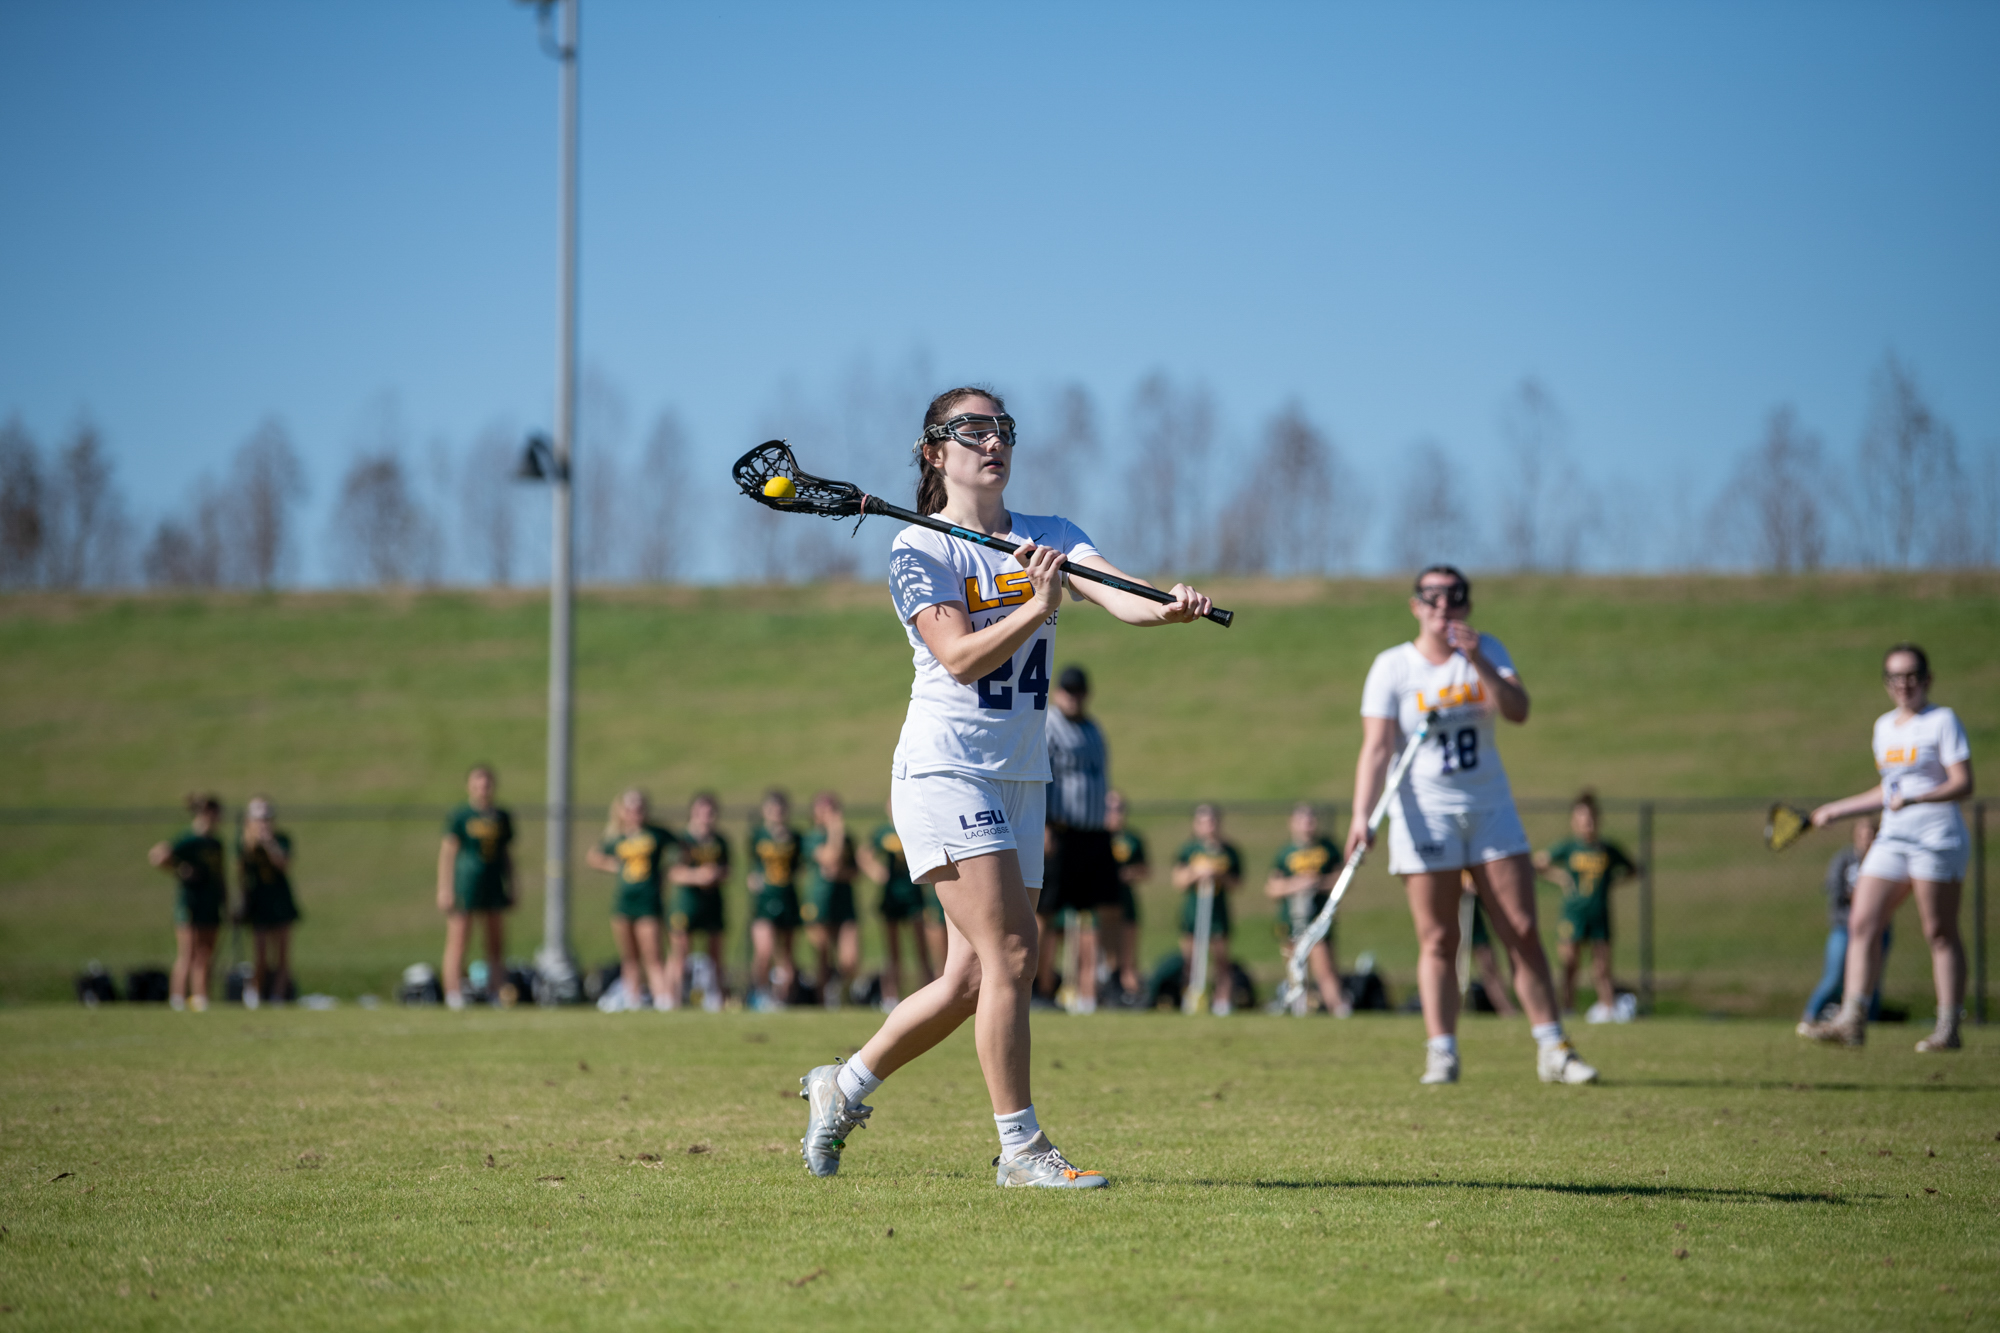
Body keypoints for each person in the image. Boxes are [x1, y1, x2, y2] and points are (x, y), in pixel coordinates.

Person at [796, 385, 1212, 1189]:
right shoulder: (918, 548)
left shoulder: (1050, 535)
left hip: (1022, 777)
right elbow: (958, 656)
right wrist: (1039, 602)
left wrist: (1169, 609)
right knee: (1017, 949)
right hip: (945, 766)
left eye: (1002, 430)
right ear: (935, 451)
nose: (993, 442)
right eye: (972, 430)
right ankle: (1020, 1148)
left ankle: (839, 1087)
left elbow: (1118, 591)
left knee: (970, 978)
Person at [1349, 565, 1596, 1085]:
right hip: (1425, 816)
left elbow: (1518, 710)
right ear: (1415, 605)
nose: (1444, 608)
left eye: (1454, 598)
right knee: (1439, 938)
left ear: (1467, 605)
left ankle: (1554, 1048)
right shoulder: (1393, 667)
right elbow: (1375, 750)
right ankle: (1442, 1051)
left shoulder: (1488, 652)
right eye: (1432, 598)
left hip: (1489, 811)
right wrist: (1361, 816)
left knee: (1522, 931)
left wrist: (1477, 656)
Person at [1801, 644, 1975, 1052]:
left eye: (1912, 675)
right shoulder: (1884, 727)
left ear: (1927, 679)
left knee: (1938, 931)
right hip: (1893, 837)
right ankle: (1852, 1019)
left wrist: (1917, 799)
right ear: (1887, 683)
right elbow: (1887, 789)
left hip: (1936, 837)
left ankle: (1948, 1026)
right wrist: (1837, 809)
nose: (1904, 684)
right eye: (1895, 677)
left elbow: (1962, 783)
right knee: (1862, 922)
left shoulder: (1942, 721)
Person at [1035, 664, 1123, 1014]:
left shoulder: (1093, 729)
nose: (1073, 697)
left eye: (1078, 691)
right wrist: (1042, 826)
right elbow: (1040, 775)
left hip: (1095, 833)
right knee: (1048, 912)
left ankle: (1115, 980)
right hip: (1062, 832)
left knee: (1111, 906)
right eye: (1068, 691)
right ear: (1059, 693)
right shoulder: (1050, 727)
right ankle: (1040, 986)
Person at [1534, 790, 1636, 1019]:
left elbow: (1634, 869)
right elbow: (1538, 863)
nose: (1586, 823)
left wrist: (1613, 881)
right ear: (1574, 821)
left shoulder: (1608, 850)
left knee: (1602, 968)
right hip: (1573, 913)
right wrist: (1559, 877)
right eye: (1581, 818)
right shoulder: (1568, 848)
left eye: (1590, 818)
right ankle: (1568, 1009)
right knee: (1570, 963)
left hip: (1599, 913)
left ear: (1598, 820)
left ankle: (1608, 1010)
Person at [585, 788, 674, 1011]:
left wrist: (668, 872)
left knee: (652, 954)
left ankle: (663, 998)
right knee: (629, 957)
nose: (636, 813)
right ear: (623, 812)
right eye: (631, 809)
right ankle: (632, 999)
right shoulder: (617, 836)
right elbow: (593, 856)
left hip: (648, 901)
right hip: (624, 902)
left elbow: (682, 850)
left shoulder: (656, 834)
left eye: (640, 808)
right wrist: (614, 866)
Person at [1800, 816, 1890, 1028]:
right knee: (1834, 978)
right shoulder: (1844, 859)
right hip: (1844, 928)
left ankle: (1868, 1023)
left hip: (1878, 928)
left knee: (1872, 981)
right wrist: (1865, 897)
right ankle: (1810, 1016)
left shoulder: (1884, 860)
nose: (1866, 839)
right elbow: (1836, 892)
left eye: (1870, 834)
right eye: (1862, 834)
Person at [437, 764, 513, 1011]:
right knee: (459, 940)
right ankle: (454, 993)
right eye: (478, 783)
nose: (483, 788)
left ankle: (494, 991)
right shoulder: (461, 816)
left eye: (487, 783)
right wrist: (445, 888)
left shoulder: (501, 817)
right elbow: (448, 852)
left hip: (493, 883)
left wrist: (512, 884)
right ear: (470, 786)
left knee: (495, 942)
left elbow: (507, 855)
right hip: (466, 884)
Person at [1266, 803, 1351, 1017]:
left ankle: (1338, 1008)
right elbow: (1272, 888)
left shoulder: (1327, 849)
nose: (1307, 824)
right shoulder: (1285, 852)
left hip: (1318, 918)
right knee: (1295, 968)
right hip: (1292, 918)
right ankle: (1299, 1009)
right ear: (1292, 823)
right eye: (1302, 819)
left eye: (1311, 819)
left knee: (1324, 967)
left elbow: (1343, 879)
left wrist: (1317, 882)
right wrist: (1296, 884)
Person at [148, 793, 227, 1011]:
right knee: (188, 954)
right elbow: (157, 855)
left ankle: (201, 999)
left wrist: (225, 901)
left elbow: (220, 875)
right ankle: (178, 999)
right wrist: (180, 869)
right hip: (190, 904)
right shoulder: (190, 840)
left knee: (206, 955)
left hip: (210, 905)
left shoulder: (216, 843)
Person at [858, 797, 934, 1009]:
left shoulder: (914, 828)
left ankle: (927, 996)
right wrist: (876, 872)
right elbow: (864, 854)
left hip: (914, 896)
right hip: (891, 898)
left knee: (921, 949)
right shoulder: (883, 832)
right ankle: (890, 997)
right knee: (893, 952)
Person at [1173, 803, 1243, 1016]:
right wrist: (1197, 873)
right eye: (1203, 821)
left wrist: (1217, 874)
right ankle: (1192, 997)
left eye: (1212, 820)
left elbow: (1237, 883)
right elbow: (1178, 880)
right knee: (1190, 960)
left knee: (1221, 960)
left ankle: (1222, 1002)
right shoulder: (1189, 850)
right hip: (1193, 911)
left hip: (1218, 912)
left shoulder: (1229, 850)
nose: (1208, 825)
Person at [667, 792, 731, 1011]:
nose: (706, 817)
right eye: (701, 812)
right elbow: (673, 872)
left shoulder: (720, 841)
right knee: (680, 953)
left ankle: (718, 999)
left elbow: (728, 870)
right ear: (692, 813)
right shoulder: (683, 840)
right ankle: (672, 1000)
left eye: (710, 812)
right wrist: (698, 876)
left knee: (716, 955)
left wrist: (716, 875)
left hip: (712, 903)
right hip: (687, 903)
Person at [236, 795, 300, 1009]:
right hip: (259, 904)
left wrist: (269, 842)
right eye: (259, 818)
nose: (263, 822)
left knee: (282, 956)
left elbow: (283, 864)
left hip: (280, 901)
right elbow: (241, 874)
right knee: (260, 956)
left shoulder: (280, 839)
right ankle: (254, 994)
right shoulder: (244, 844)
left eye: (267, 817)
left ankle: (278, 998)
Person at [801, 791, 862, 1009]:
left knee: (850, 959)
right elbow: (830, 857)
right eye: (824, 810)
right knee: (822, 956)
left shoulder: (848, 838)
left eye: (833, 809)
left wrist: (841, 873)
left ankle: (840, 993)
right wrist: (835, 831)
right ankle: (821, 1002)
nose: (830, 815)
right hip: (819, 902)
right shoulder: (812, 837)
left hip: (844, 902)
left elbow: (853, 871)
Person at [746, 789, 803, 1011]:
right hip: (764, 901)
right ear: (765, 812)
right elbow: (752, 865)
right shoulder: (758, 835)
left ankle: (783, 998)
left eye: (780, 809)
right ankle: (759, 992)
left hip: (787, 898)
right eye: (772, 809)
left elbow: (800, 866)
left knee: (787, 953)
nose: (776, 814)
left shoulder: (795, 837)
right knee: (764, 950)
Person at [1102, 789, 1148, 1003]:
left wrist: (1127, 874)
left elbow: (1144, 869)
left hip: (1124, 899)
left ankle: (1127, 993)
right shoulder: (1096, 838)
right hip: (1100, 901)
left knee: (1127, 954)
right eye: (1110, 808)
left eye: (1119, 808)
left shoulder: (1132, 839)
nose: (1115, 813)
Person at [1462, 874, 1519, 1018]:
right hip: (1456, 907)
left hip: (1474, 907)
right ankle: (1451, 1009)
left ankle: (1507, 1010)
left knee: (1489, 963)